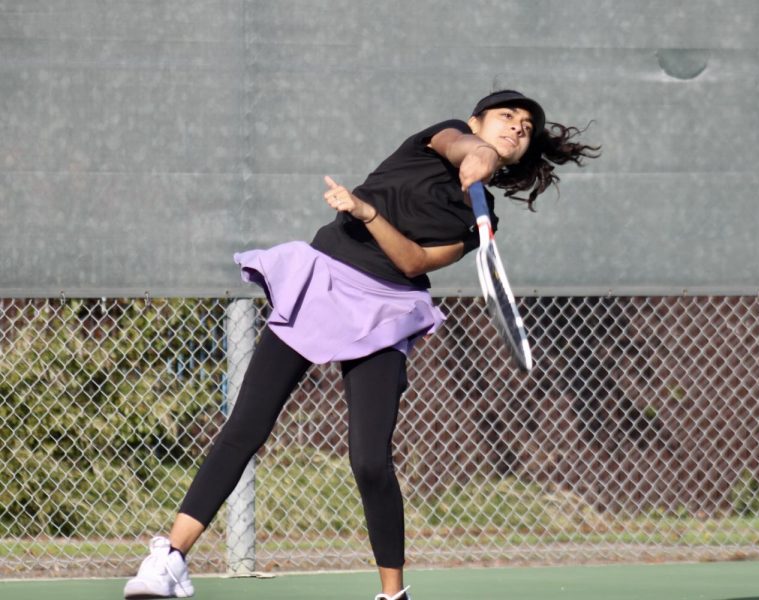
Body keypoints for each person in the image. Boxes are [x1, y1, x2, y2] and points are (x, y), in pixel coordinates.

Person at [123, 89, 600, 600]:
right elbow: (463, 148)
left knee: (370, 459)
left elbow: (414, 262)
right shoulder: (437, 140)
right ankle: (167, 561)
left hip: (386, 310)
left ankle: (393, 596)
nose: (517, 128)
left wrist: (369, 213)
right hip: (321, 281)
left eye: (527, 128)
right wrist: (475, 156)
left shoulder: (482, 224)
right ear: (475, 122)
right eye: (506, 117)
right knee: (246, 426)